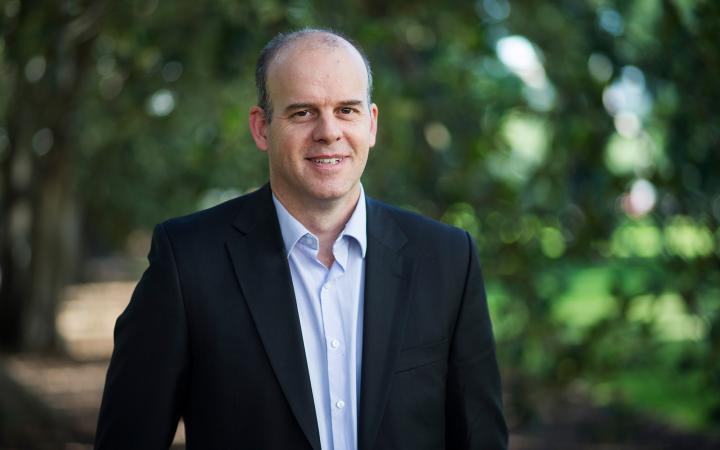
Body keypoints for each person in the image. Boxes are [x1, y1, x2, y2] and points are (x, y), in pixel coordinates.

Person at [95, 28, 507, 450]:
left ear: (371, 124)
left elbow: (480, 438)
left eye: (347, 110)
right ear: (261, 128)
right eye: (303, 113)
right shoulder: (187, 262)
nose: (329, 132)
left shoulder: (447, 259)